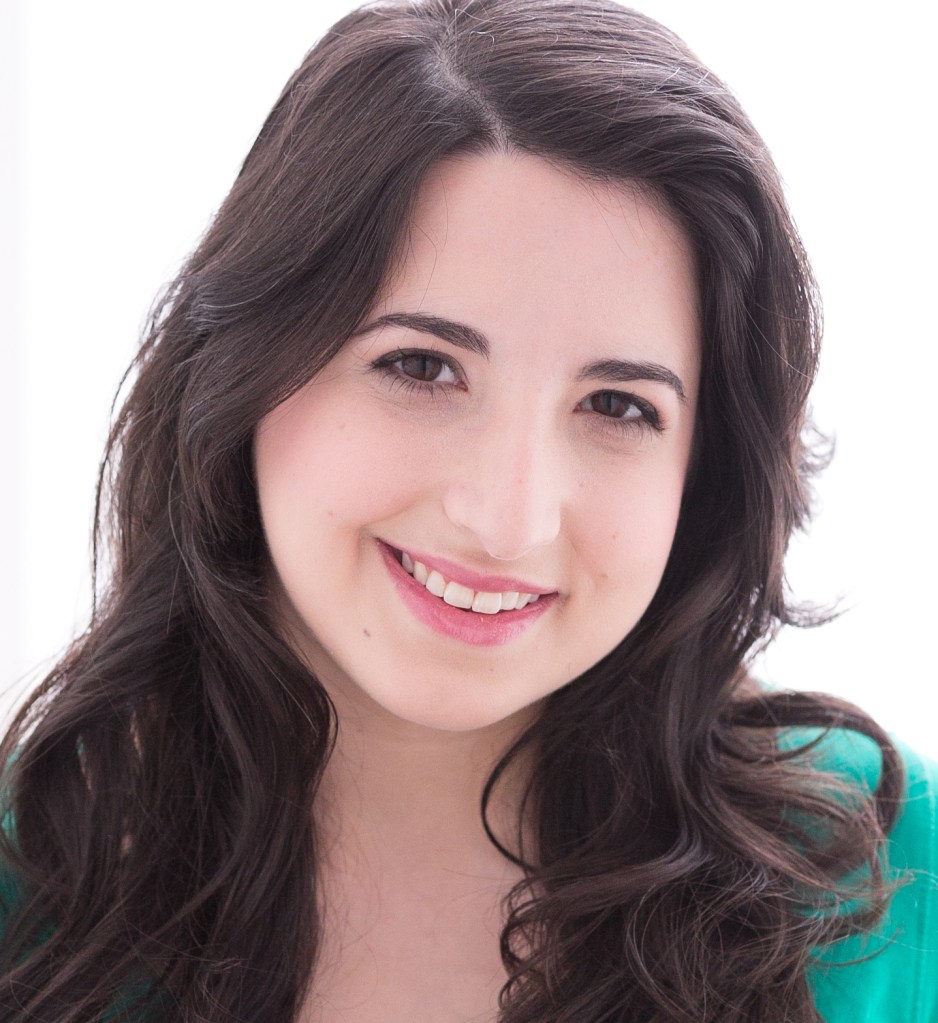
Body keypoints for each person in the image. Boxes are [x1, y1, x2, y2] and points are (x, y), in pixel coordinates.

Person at [1, 0, 935, 1020]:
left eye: (617, 406)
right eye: (420, 366)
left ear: (704, 470)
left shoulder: (890, 883)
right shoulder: (30, 881)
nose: (506, 519)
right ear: (238, 370)